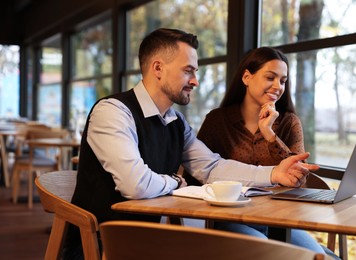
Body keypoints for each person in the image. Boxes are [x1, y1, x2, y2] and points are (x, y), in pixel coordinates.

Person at [63, 29, 319, 259]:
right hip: (102, 246)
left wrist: (274, 173)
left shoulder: (176, 123)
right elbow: (135, 185)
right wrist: (174, 181)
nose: (195, 81)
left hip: (156, 241)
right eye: (188, 71)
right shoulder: (113, 111)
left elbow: (212, 167)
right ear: (158, 68)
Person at [196, 47, 329, 255]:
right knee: (272, 254)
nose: (277, 86)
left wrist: (269, 134)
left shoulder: (289, 122)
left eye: (283, 81)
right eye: (270, 77)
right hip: (230, 218)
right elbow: (196, 175)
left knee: (318, 257)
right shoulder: (217, 121)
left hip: (280, 220)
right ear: (247, 77)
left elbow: (299, 180)